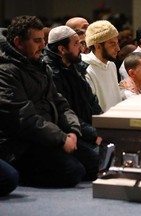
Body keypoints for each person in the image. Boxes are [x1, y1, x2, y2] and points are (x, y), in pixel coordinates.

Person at [0, 15, 89, 188]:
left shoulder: (40, 65)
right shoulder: (6, 71)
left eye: (44, 40)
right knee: (72, 172)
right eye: (37, 40)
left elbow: (60, 103)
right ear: (18, 42)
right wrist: (61, 139)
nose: (43, 46)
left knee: (93, 163)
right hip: (21, 143)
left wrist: (72, 130)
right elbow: (24, 119)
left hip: (48, 135)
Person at [41, 25, 104, 179]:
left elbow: (92, 101)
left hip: (86, 129)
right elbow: (65, 111)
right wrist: (94, 133)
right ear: (62, 49)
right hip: (70, 131)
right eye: (76, 43)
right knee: (98, 163)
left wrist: (103, 127)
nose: (81, 48)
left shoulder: (77, 66)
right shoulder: (50, 72)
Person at [82, 20, 122, 112]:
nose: (118, 48)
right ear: (98, 46)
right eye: (112, 44)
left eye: (117, 43)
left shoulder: (111, 65)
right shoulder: (86, 69)